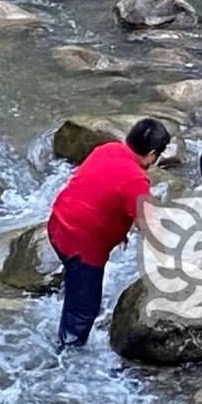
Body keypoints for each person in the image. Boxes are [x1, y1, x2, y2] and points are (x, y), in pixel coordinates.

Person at [48, 118, 171, 347]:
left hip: (57, 225)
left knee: (76, 284)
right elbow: (150, 228)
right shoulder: (136, 180)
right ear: (152, 153)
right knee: (85, 311)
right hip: (82, 247)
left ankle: (68, 300)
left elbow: (102, 189)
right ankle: (68, 358)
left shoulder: (108, 149)